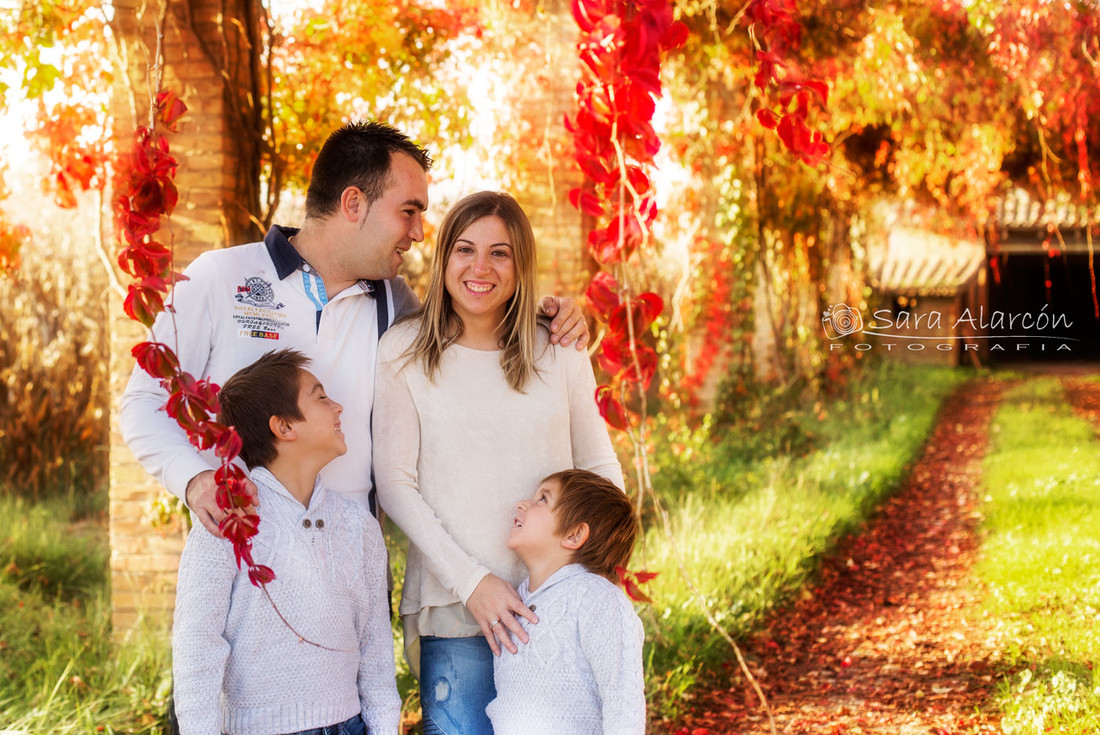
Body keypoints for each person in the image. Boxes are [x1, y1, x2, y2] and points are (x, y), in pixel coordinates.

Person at [119, 121, 590, 535]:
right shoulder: (219, 278)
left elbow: (478, 331)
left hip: (353, 575)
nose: (420, 231)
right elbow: (144, 401)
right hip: (246, 560)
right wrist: (193, 479)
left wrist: (550, 317)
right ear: (353, 203)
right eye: (409, 210)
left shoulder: (396, 306)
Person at [372, 191, 624, 735]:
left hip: (556, 606)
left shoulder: (558, 349)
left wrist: (595, 568)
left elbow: (599, 463)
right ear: (443, 260)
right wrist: (474, 581)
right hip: (457, 606)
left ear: (520, 264)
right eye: (464, 249)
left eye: (500, 253)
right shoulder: (403, 351)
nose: (479, 267)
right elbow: (394, 483)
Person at [171, 348, 400, 735]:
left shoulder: (359, 526)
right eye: (321, 397)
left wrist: (384, 727)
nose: (338, 406)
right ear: (284, 427)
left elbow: (376, 651)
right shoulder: (229, 522)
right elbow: (197, 649)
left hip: (349, 726)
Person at [486, 469, 645, 735]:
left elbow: (624, 704)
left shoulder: (598, 599)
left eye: (543, 499)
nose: (522, 504)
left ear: (573, 535)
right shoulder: (517, 600)